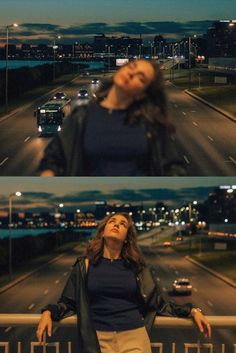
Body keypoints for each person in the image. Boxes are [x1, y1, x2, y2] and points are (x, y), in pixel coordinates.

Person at [36, 212, 211, 353]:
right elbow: (69, 302)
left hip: (134, 337)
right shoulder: (84, 266)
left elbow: (158, 303)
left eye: (123, 224)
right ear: (103, 231)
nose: (117, 224)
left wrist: (193, 311)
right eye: (112, 221)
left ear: (127, 237)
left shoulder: (138, 268)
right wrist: (49, 312)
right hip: (98, 339)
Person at [38, 59, 186, 176]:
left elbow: (173, 167)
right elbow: (53, 159)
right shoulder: (81, 117)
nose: (131, 74)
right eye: (132, 67)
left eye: (140, 78)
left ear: (142, 93)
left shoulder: (150, 124)